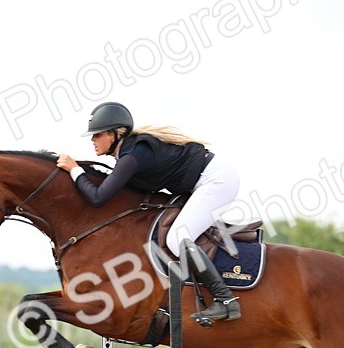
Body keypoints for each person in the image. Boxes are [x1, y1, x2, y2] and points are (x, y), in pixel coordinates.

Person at [56, 102, 241, 323]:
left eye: (97, 135)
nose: (92, 140)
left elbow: (98, 197)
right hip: (204, 181)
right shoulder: (129, 153)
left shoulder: (133, 155)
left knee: (177, 238)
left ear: (115, 134)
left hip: (216, 181)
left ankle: (226, 301)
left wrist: (74, 169)